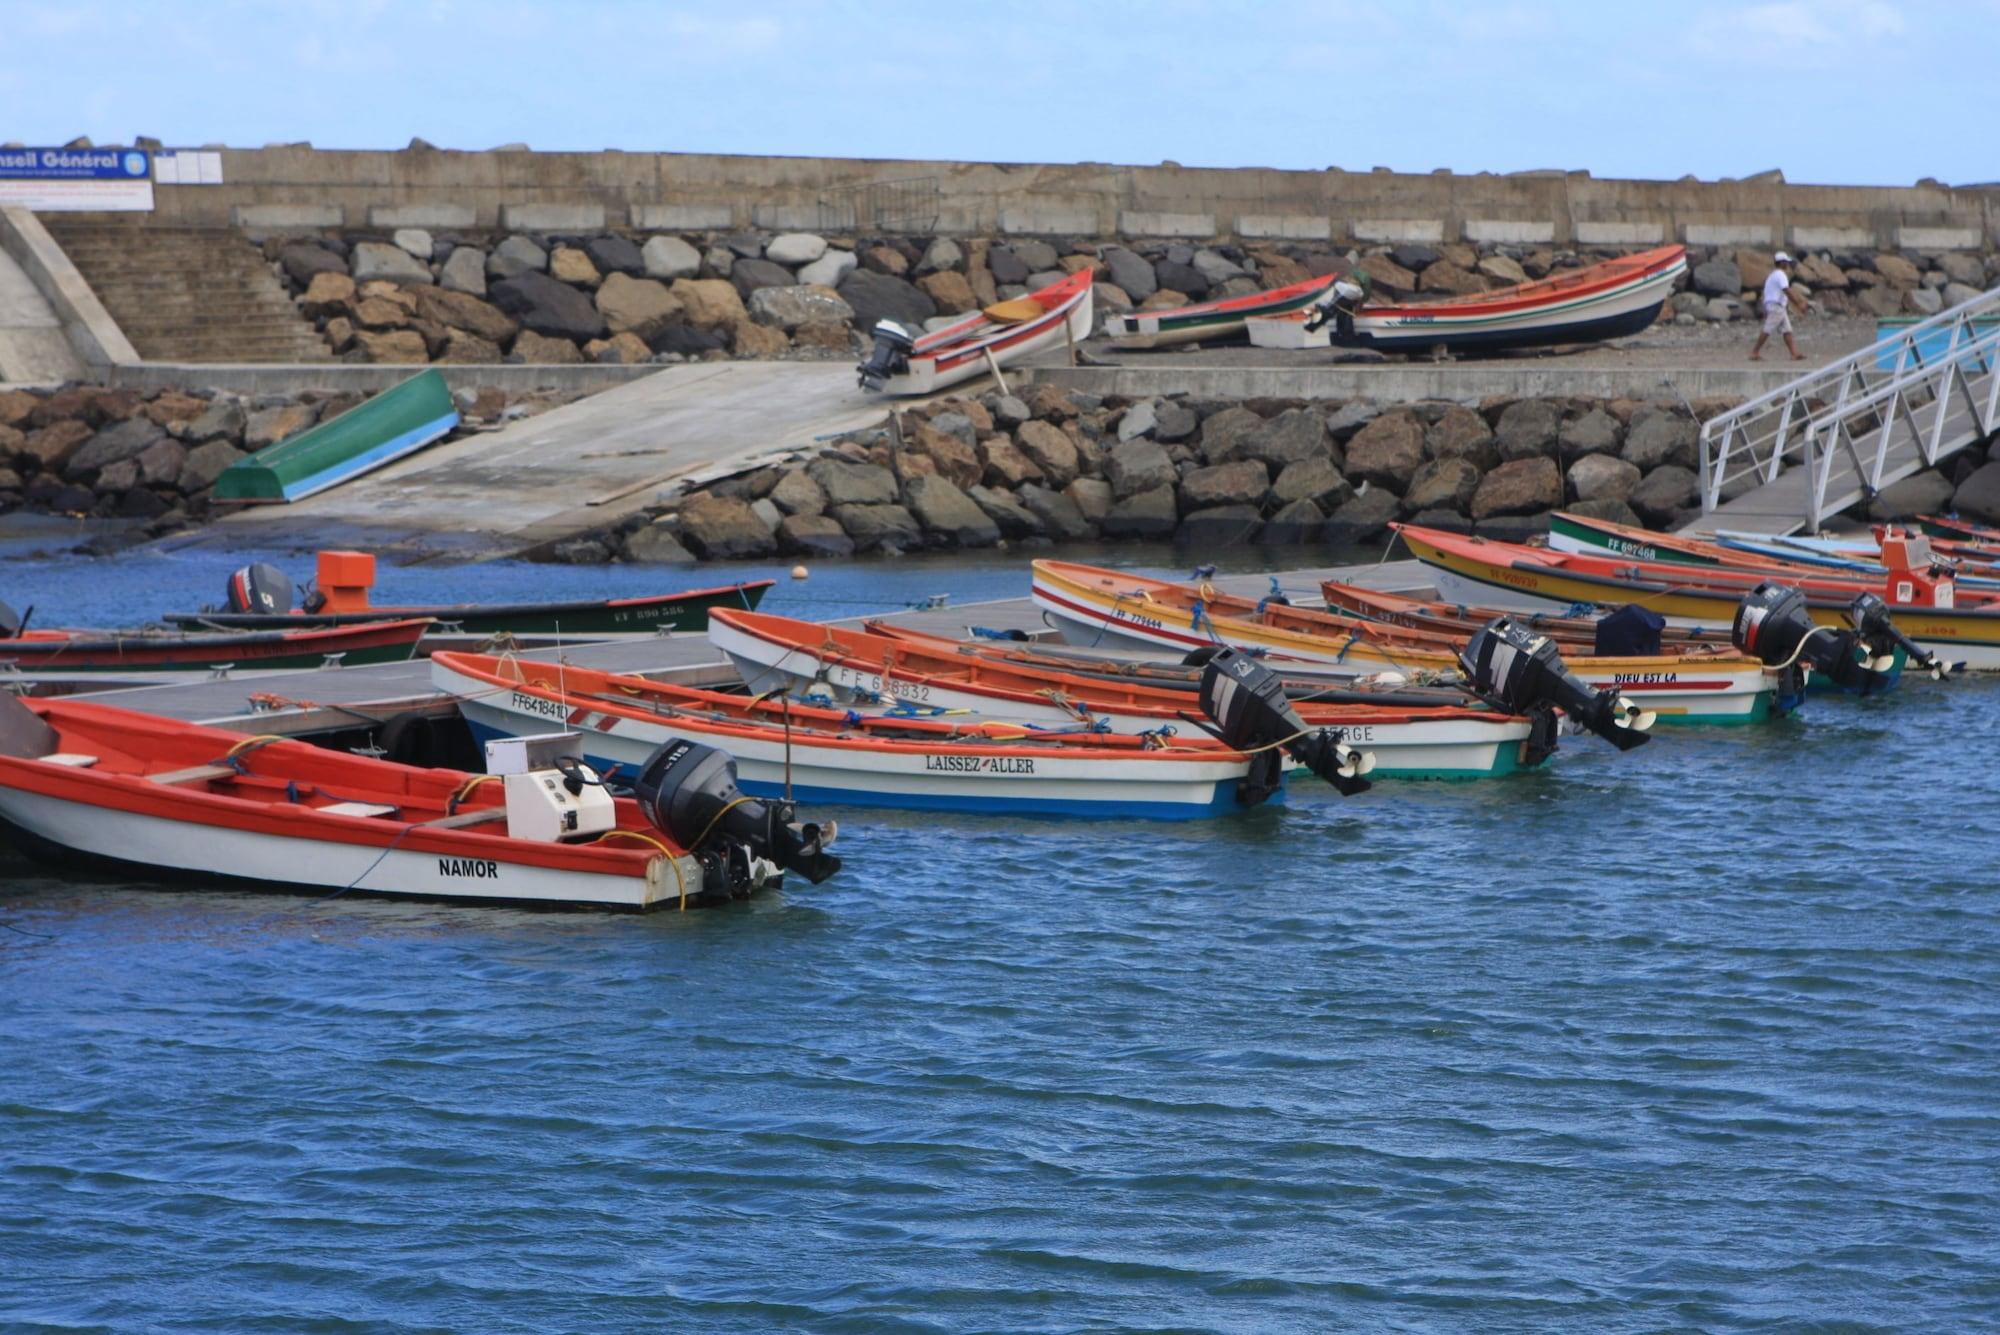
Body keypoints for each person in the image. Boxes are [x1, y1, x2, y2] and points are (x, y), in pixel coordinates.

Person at [1750, 252, 1805, 361]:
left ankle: (1793, 353)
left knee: (1787, 330)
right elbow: (1786, 290)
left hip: (1776, 305)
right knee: (1768, 329)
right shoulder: (1780, 274)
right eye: (1786, 262)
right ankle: (1754, 352)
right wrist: (1798, 304)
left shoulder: (1773, 275)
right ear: (1782, 263)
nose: (1788, 264)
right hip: (1776, 306)